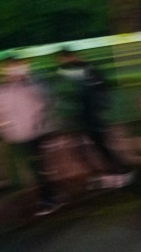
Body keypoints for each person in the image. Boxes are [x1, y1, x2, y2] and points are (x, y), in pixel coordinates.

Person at [0, 57, 63, 216]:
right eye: (9, 69)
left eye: (17, 68)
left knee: (37, 167)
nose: (14, 72)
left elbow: (47, 103)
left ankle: (48, 200)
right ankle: (51, 195)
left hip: (34, 133)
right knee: (32, 168)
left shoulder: (32, 84)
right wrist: (2, 129)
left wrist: (41, 123)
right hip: (15, 136)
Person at [56, 48, 133, 189]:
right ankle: (104, 175)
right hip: (79, 119)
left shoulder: (88, 73)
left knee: (100, 147)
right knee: (84, 150)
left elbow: (101, 93)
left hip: (88, 118)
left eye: (66, 58)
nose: (65, 62)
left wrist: (97, 110)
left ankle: (119, 171)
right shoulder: (68, 75)